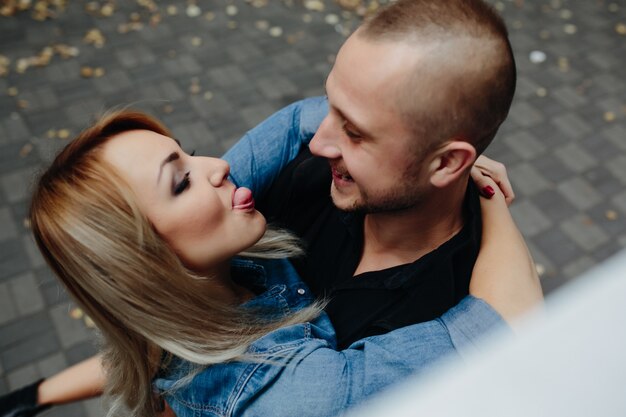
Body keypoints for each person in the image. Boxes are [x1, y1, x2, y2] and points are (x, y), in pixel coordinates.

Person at [2, 0, 531, 414]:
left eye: (351, 127)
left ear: (446, 163)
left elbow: (510, 323)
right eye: (182, 180)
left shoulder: (457, 284)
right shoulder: (266, 204)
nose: (320, 142)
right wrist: (491, 201)